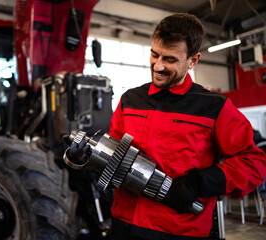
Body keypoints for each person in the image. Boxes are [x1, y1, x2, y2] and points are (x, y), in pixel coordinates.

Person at [67, 13, 266, 239]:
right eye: (154, 54)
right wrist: (87, 156)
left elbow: (254, 163)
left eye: (170, 59)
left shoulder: (214, 107)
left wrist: (199, 182)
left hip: (178, 230)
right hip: (124, 227)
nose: (158, 66)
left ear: (193, 60)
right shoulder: (130, 101)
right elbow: (115, 158)